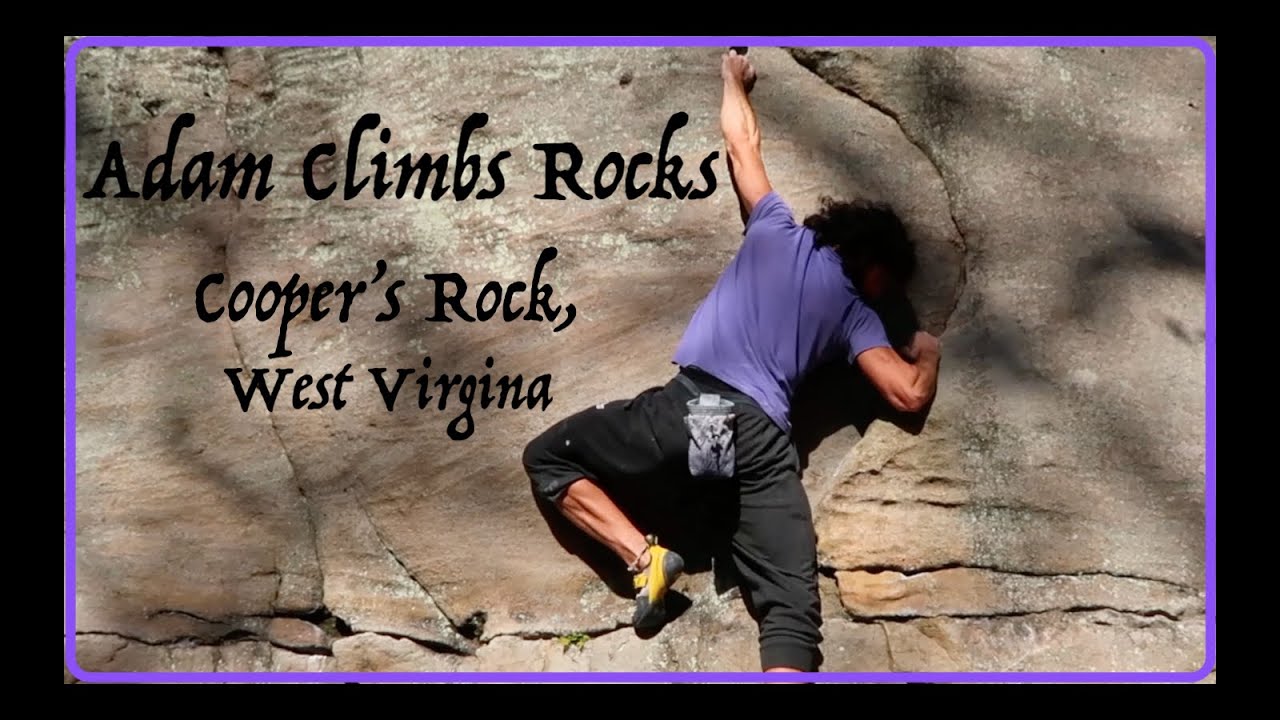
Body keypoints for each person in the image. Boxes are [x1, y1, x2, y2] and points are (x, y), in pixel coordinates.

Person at [522, 50, 942, 674]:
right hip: (759, 441)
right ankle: (713, 535)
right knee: (791, 613)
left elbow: (740, 142)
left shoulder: (774, 227)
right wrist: (927, 352)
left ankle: (646, 559)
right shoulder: (858, 314)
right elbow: (908, 395)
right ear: (875, 266)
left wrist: (732, 79)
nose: (888, 292)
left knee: (548, 456)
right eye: (889, 281)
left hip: (698, 416)